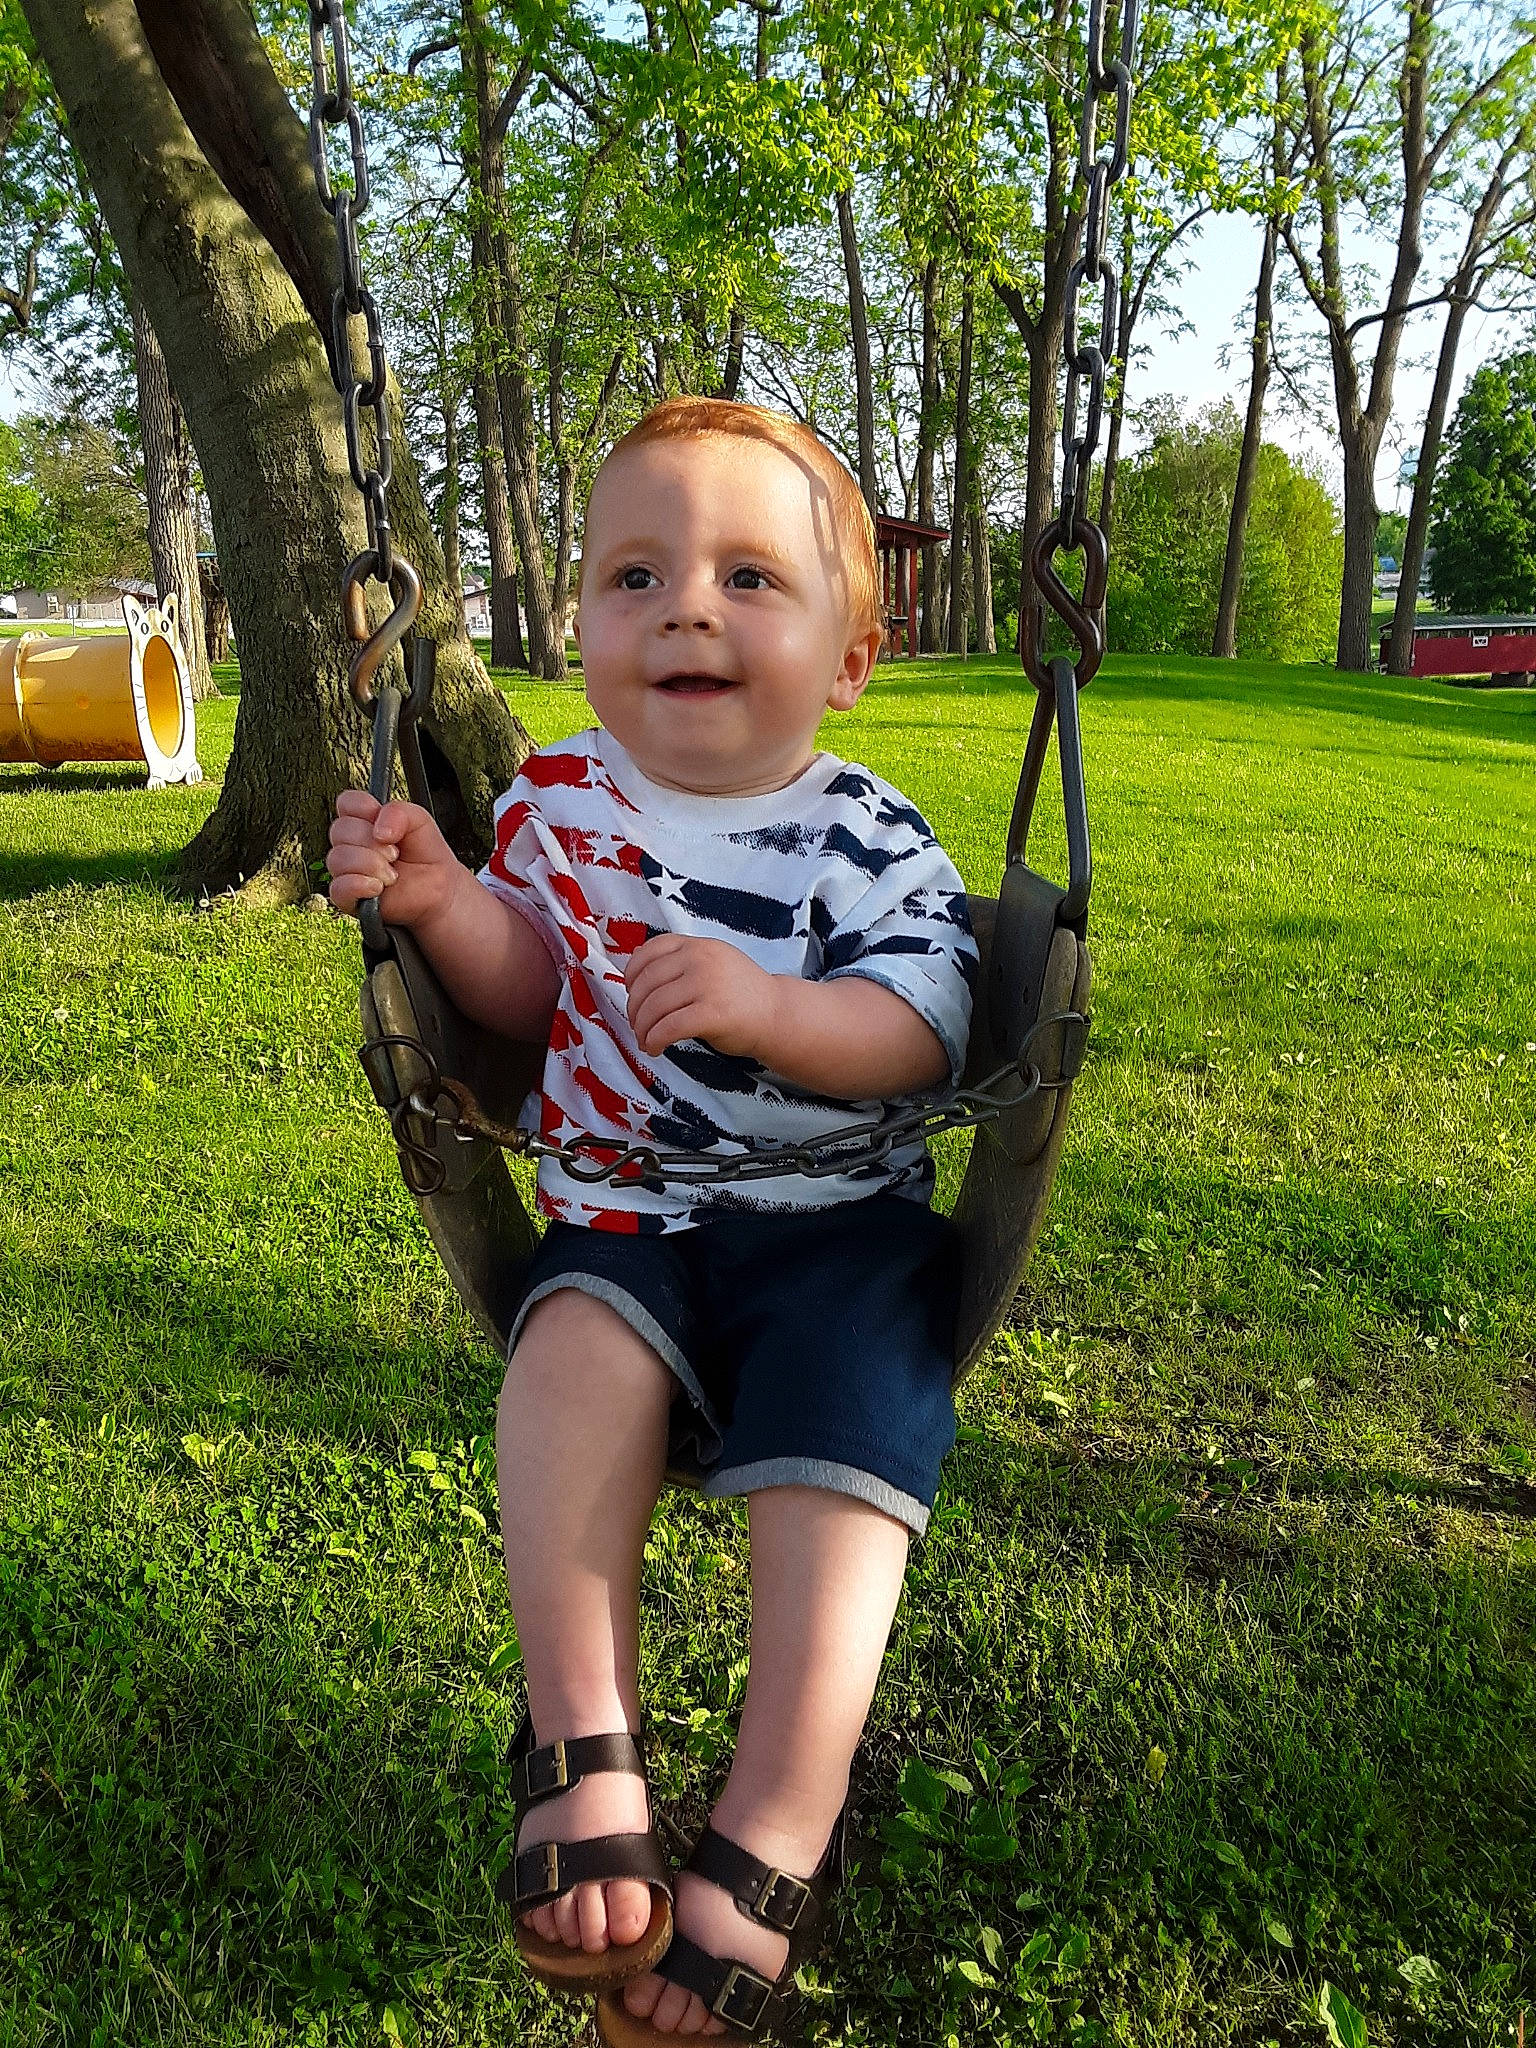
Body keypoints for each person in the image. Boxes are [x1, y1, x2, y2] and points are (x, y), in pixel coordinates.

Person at [327, 398, 977, 2042]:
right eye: (636, 572)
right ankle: (582, 1744)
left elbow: (926, 1028)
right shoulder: (557, 804)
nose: (685, 603)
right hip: (623, 1216)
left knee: (850, 1453)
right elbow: (530, 987)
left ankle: (776, 1822)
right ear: (588, 625)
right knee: (565, 1361)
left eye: (750, 575)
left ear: (846, 660)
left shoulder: (870, 834)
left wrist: (773, 1008)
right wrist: (441, 896)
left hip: (841, 1227)